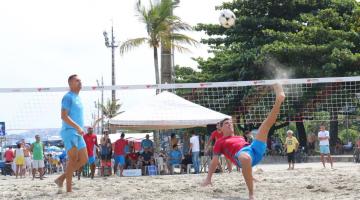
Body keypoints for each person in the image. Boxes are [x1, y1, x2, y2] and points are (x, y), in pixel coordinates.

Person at [201, 83, 285, 200]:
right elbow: (215, 161)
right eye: (227, 123)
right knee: (245, 158)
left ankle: (279, 99)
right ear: (220, 128)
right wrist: (208, 178)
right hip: (243, 155)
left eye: (231, 123)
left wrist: (249, 174)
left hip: (253, 149)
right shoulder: (220, 142)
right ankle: (251, 194)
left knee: (265, 126)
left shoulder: (239, 136)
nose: (230, 124)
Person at [55, 74, 88, 193]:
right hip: (69, 132)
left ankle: (62, 178)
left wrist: (81, 127)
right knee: (73, 159)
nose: (80, 82)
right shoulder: (68, 97)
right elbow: (63, 116)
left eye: (80, 80)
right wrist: (77, 127)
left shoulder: (78, 97)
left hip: (78, 132)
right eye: (77, 80)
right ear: (70, 84)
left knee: (84, 159)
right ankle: (69, 190)